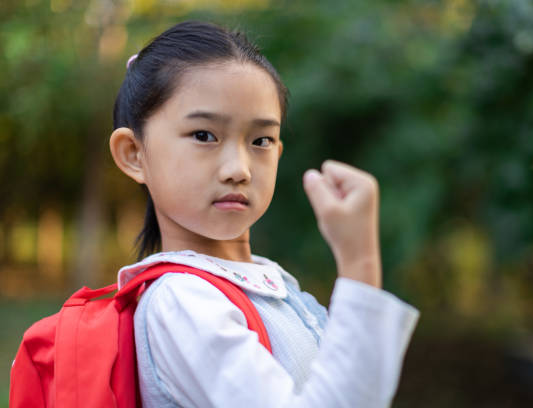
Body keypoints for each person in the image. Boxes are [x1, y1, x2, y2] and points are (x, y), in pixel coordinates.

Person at [109, 20, 419, 407]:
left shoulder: (269, 282)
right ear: (134, 154)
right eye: (205, 135)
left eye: (260, 140)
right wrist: (359, 264)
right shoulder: (182, 302)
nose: (239, 169)